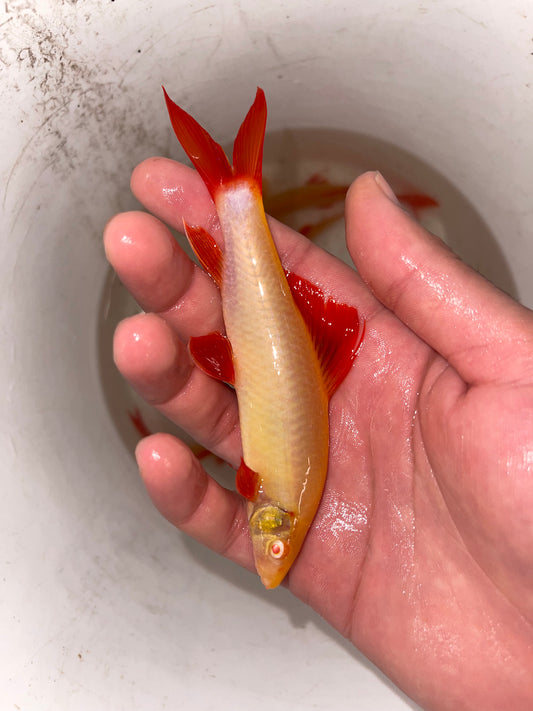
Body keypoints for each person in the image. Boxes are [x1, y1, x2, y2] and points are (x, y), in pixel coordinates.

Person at [104, 160, 533, 710]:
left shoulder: (272, 498)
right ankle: (238, 197)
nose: (269, 560)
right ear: (276, 522)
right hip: (278, 357)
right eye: (276, 547)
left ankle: (237, 198)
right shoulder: (276, 498)